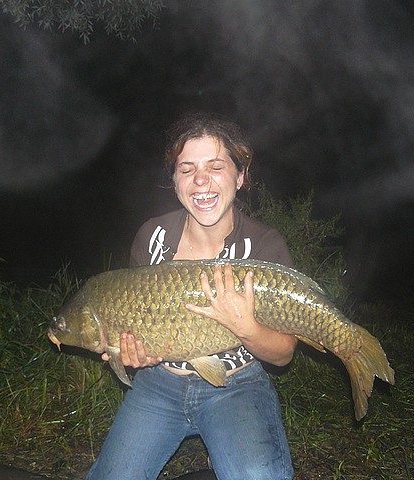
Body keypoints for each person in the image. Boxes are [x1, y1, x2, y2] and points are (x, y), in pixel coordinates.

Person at [85, 112, 297, 480]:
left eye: (216, 166)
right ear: (174, 180)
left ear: (241, 176)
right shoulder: (151, 238)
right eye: (186, 169)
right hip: (158, 385)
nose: (201, 180)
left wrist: (245, 328)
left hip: (238, 386)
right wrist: (137, 353)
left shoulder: (263, 246)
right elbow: (136, 318)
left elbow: (284, 354)